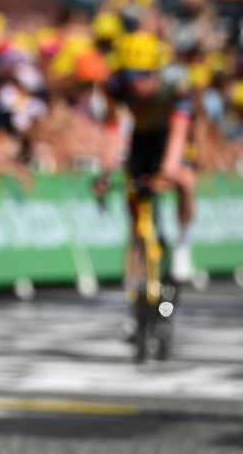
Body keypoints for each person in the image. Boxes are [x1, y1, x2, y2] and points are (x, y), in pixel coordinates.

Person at [93, 30, 196, 325]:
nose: (139, 82)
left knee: (185, 180)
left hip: (170, 138)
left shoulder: (175, 85)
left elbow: (178, 135)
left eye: (146, 74)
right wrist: (105, 172)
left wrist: (167, 172)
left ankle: (182, 247)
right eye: (132, 74)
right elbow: (113, 133)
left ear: (157, 70)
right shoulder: (116, 86)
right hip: (141, 140)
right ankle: (133, 302)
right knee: (136, 223)